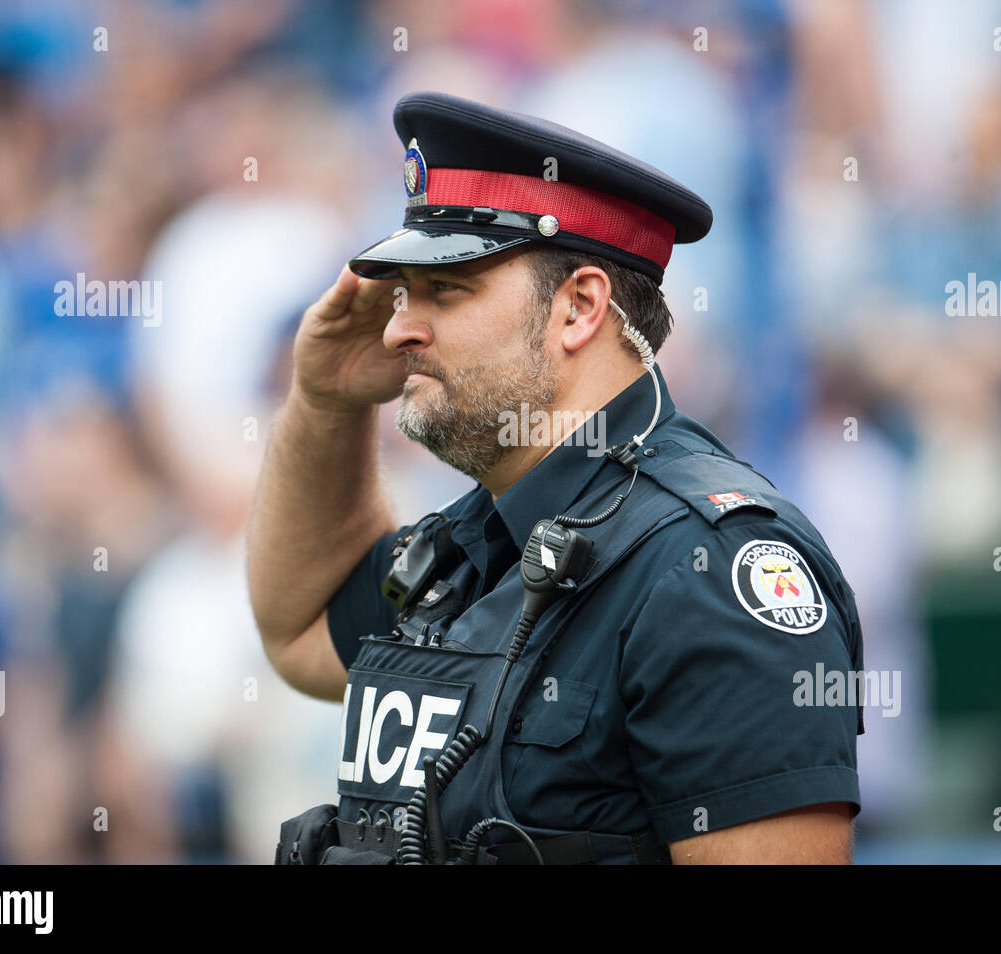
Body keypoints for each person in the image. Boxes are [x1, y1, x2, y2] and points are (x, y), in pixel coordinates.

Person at [248, 91, 864, 865]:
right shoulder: (475, 538)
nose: (399, 327)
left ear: (577, 308)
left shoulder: (707, 573)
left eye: (446, 289)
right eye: (403, 293)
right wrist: (324, 399)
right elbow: (296, 629)